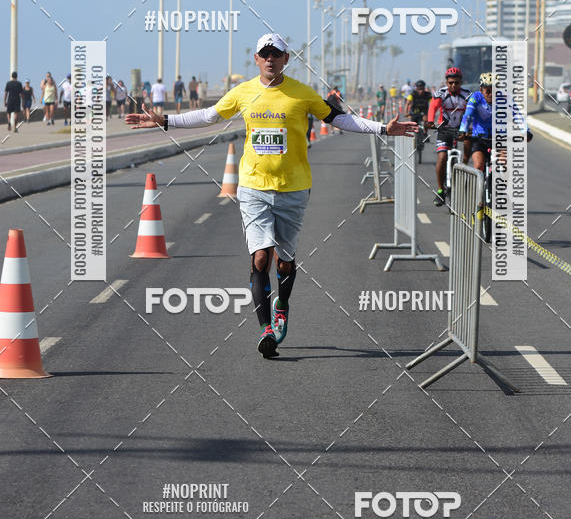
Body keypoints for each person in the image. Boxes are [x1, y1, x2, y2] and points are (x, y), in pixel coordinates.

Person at [126, 33, 418, 359]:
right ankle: (266, 328)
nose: (269, 59)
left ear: (286, 59)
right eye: (264, 54)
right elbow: (209, 116)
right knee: (260, 257)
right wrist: (164, 120)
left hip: (294, 188)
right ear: (256, 59)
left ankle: (282, 306)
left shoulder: (302, 93)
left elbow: (338, 119)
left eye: (275, 54)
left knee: (285, 261)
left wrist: (382, 129)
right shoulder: (243, 92)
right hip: (253, 186)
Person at [459, 72, 532, 173]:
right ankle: (479, 187)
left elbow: (517, 114)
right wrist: (463, 130)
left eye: (494, 91)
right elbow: (468, 115)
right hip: (479, 137)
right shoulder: (475, 97)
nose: (491, 94)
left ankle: (503, 186)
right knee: (479, 166)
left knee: (504, 166)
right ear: (481, 90)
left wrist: (525, 130)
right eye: (487, 91)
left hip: (499, 136)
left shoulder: (505, 97)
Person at [426, 66, 471, 206]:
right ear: (446, 82)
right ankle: (440, 191)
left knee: (468, 146)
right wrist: (430, 121)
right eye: (450, 82)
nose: (453, 85)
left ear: (460, 82)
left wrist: (470, 127)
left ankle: (463, 167)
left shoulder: (467, 94)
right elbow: (433, 107)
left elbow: (472, 110)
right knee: (442, 157)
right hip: (444, 129)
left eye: (456, 83)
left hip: (461, 129)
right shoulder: (441, 93)